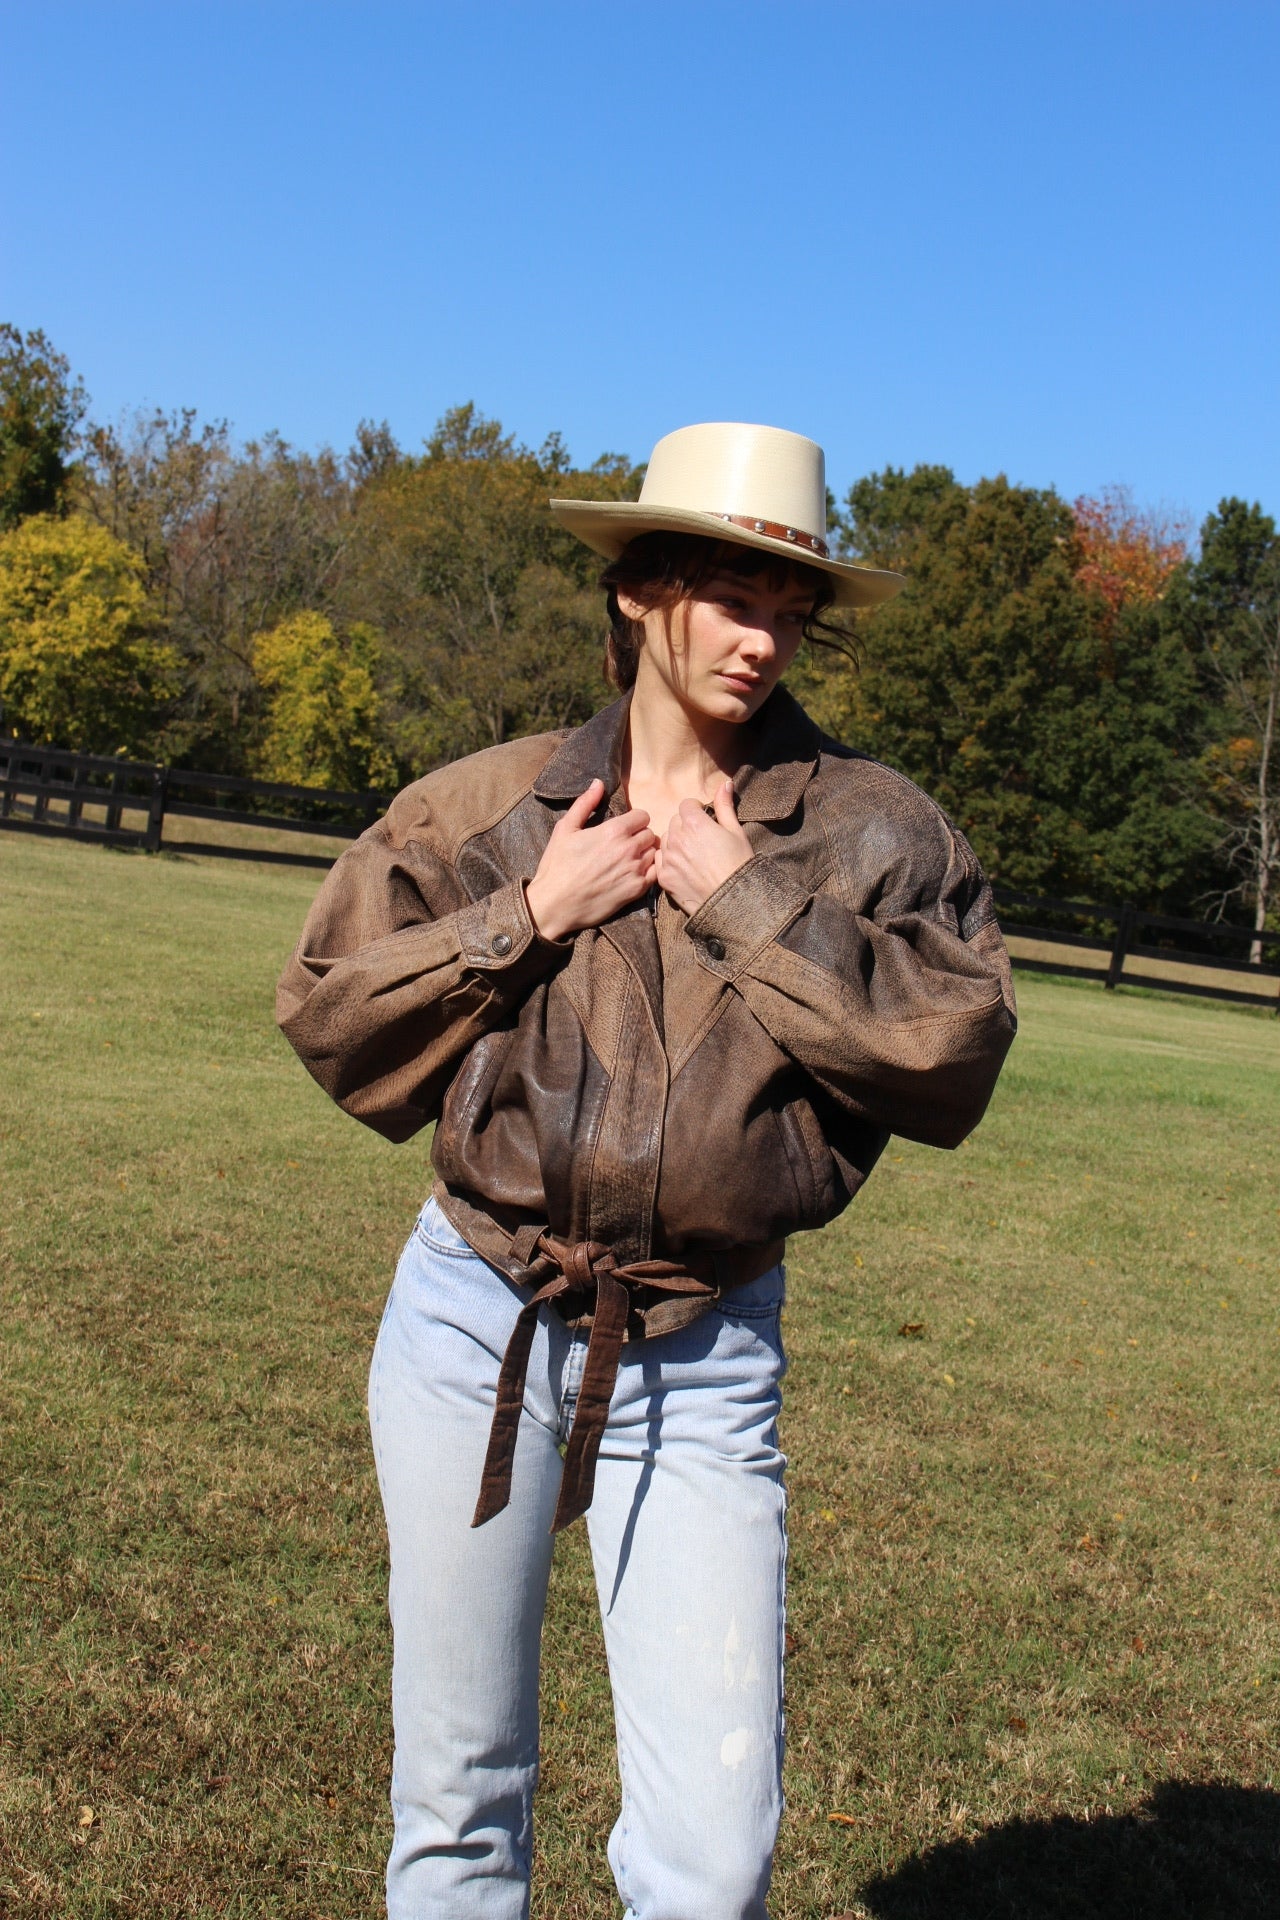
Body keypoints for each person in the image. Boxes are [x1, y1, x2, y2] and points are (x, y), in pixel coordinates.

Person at [277, 421, 1016, 1920]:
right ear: (638, 588)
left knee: (714, 1845)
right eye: (734, 595)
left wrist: (745, 902)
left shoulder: (871, 833)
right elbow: (328, 1016)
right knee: (458, 1795)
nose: (766, 638)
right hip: (470, 1321)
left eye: (792, 605)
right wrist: (527, 915)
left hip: (704, 1338)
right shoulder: (487, 808)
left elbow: (953, 1055)